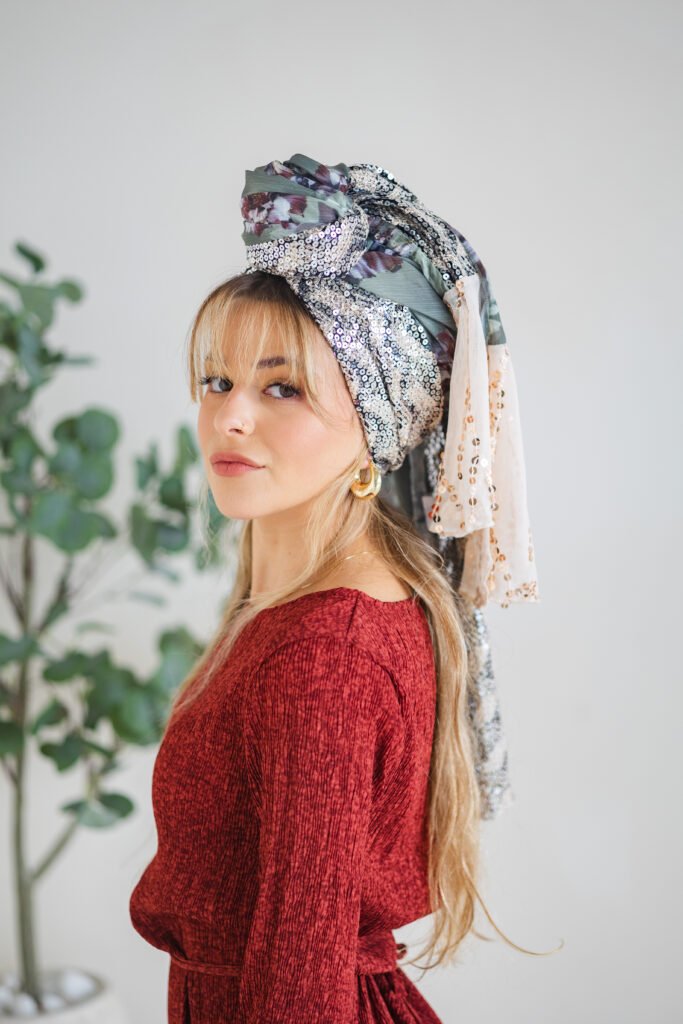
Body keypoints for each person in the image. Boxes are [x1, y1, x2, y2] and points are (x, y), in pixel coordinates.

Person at [129, 153, 543, 1023]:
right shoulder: (324, 611)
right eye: (217, 380)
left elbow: (300, 983)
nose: (230, 416)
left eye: (282, 387)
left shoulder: (325, 656)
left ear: (376, 424)